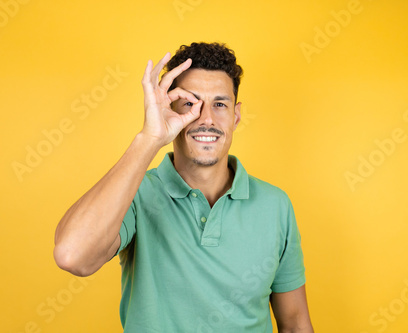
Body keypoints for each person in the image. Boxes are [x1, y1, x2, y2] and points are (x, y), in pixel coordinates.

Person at [53, 42, 314, 333]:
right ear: (169, 109)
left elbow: (294, 323)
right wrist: (149, 138)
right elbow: (72, 255)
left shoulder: (275, 204)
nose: (206, 119)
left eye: (220, 104)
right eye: (190, 103)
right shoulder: (136, 195)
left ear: (236, 116)